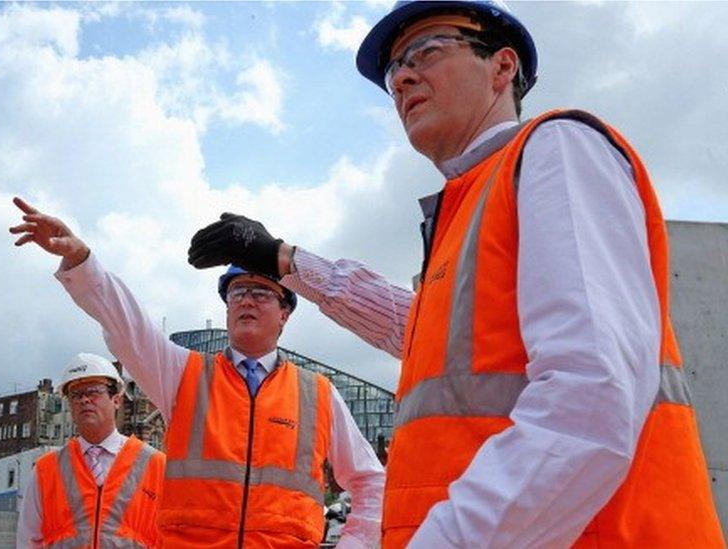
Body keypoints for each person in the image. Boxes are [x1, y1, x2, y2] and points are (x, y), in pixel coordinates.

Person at [186, 1, 724, 546]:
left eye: (426, 51)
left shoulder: (556, 149)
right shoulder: (470, 206)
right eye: (394, 69)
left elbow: (590, 396)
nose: (402, 77)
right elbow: (415, 329)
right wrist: (283, 259)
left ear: (502, 67)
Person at [9, 196, 385, 548]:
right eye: (237, 292)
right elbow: (128, 328)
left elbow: (371, 481)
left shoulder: (316, 394)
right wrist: (81, 260)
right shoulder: (184, 375)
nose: (247, 300)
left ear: (285, 312)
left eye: (261, 292)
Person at [17, 353, 166, 548]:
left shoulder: (157, 466)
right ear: (69, 403)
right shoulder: (46, 471)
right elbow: (28, 541)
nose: (84, 400)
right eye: (76, 395)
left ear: (117, 399)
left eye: (93, 392)